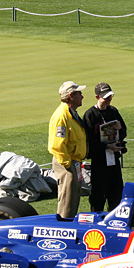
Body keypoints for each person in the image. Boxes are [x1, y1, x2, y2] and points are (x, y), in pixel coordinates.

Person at [82, 82, 128, 214]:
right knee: (98, 195)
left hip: (114, 161)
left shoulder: (113, 111)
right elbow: (89, 141)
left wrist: (120, 130)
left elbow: (124, 133)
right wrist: (107, 146)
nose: (108, 100)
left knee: (116, 193)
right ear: (97, 97)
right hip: (99, 162)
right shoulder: (90, 115)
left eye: (110, 97)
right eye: (105, 97)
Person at [49, 81, 88, 219]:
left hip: (74, 162)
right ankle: (63, 229)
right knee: (67, 201)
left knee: (73, 199)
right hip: (67, 163)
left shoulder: (71, 113)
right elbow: (57, 145)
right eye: (79, 93)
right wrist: (68, 165)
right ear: (71, 96)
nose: (82, 96)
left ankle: (68, 225)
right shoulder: (62, 116)